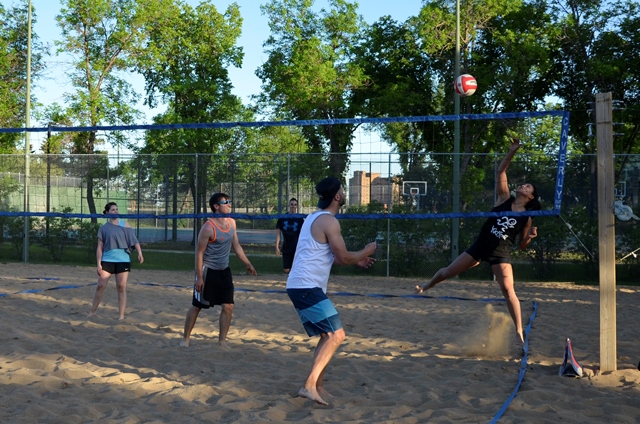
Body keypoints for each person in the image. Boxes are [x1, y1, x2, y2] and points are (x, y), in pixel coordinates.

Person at [415, 139, 541, 345]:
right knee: (447, 272)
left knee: (508, 290)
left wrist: (529, 238)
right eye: (523, 184)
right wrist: (512, 151)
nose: (523, 185)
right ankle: (426, 286)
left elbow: (521, 245)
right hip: (481, 246)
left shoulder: (527, 218)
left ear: (531, 197)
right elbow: (501, 171)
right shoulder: (504, 198)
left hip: (501, 253)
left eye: (528, 187)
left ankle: (519, 331)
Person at [286, 177, 377, 406]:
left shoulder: (312, 218)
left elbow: (328, 257)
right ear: (337, 196)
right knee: (337, 335)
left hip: (301, 285)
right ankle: (309, 386)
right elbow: (344, 257)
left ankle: (318, 386)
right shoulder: (329, 222)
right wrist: (365, 251)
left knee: (327, 335)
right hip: (306, 286)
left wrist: (357, 260)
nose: (344, 193)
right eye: (343, 190)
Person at [181, 193, 257, 348]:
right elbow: (199, 253)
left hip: (224, 271)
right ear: (216, 206)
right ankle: (186, 338)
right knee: (197, 306)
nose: (229, 204)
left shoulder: (232, 223)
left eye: (229, 201)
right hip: (208, 271)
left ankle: (222, 341)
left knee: (228, 306)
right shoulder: (208, 227)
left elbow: (236, 246)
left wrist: (247, 264)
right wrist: (199, 277)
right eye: (225, 202)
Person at [88, 202, 144, 320]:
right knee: (100, 285)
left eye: (117, 209)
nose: (116, 211)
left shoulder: (125, 225)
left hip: (123, 259)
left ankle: (121, 316)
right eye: (113, 210)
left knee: (121, 286)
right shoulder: (103, 228)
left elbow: (134, 240)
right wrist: (98, 264)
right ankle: (92, 312)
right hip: (107, 259)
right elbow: (99, 248)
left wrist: (139, 252)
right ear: (107, 212)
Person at [275, 197, 305, 273]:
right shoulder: (282, 218)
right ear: (289, 205)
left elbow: (304, 233)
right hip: (286, 246)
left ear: (297, 206)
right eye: (291, 204)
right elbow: (278, 233)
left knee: (296, 269)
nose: (293, 206)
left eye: (295, 204)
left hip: (297, 247)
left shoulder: (300, 219)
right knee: (286, 269)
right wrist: (277, 247)